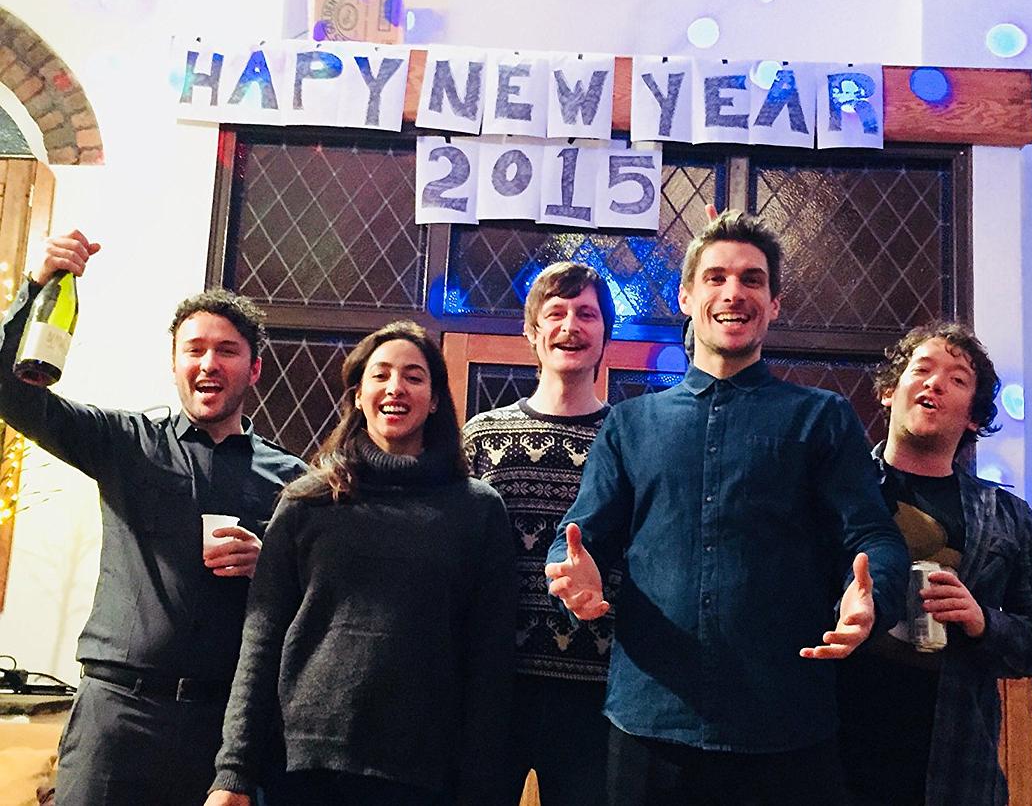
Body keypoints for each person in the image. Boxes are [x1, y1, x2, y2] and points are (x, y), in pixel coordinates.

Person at [545, 209, 910, 805]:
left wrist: (871, 596)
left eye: (752, 280)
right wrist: (571, 573)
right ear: (687, 298)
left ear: (775, 304)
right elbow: (578, 538)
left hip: (787, 726)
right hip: (649, 723)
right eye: (715, 278)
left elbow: (874, 539)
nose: (733, 292)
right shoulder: (629, 424)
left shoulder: (821, 417)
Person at [0, 230, 307, 806]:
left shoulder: (293, 479)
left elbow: (317, 598)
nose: (208, 363)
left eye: (227, 350)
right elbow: (8, 392)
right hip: (114, 716)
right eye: (194, 350)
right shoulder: (124, 442)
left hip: (223, 732)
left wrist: (270, 564)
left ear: (254, 370)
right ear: (174, 365)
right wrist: (36, 284)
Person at [206, 320, 516, 806]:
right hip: (304, 767)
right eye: (381, 374)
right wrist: (233, 772)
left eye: (414, 376)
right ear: (357, 395)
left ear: (435, 399)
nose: (396, 388)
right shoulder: (307, 502)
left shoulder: (478, 510)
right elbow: (261, 642)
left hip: (424, 773)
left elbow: (489, 660)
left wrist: (482, 787)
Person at [837, 321, 1032, 806]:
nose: (935, 383)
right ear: (888, 392)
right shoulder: (836, 489)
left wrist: (984, 621)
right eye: (921, 370)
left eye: (958, 379)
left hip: (956, 767)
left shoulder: (1006, 515)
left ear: (973, 417)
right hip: (832, 755)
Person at [462, 262, 617, 806]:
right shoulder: (481, 437)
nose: (570, 326)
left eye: (587, 314)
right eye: (556, 313)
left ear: (605, 335)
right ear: (531, 332)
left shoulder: (629, 440)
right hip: (493, 680)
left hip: (598, 685)